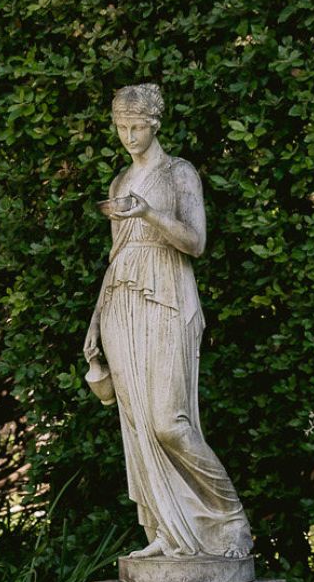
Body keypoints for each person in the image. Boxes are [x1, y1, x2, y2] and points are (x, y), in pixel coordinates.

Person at [82, 82, 251, 558]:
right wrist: (95, 323)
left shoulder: (179, 173)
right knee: (137, 426)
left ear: (155, 125)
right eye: (121, 127)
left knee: (169, 423)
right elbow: (115, 256)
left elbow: (195, 242)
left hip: (169, 296)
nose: (129, 136)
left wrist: (150, 213)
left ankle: (230, 520)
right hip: (121, 300)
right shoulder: (118, 182)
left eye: (137, 126)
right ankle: (166, 532)